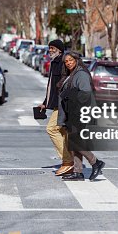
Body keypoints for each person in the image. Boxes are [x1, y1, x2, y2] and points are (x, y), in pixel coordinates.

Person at [57, 51, 105, 181]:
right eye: (66, 62)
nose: (68, 63)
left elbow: (85, 93)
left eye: (70, 60)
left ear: (76, 60)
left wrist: (70, 97)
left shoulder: (81, 74)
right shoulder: (71, 74)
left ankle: (95, 162)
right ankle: (78, 172)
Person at [38, 39, 74, 176]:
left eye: (53, 48)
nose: (50, 50)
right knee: (64, 133)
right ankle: (71, 162)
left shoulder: (63, 62)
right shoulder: (54, 63)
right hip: (56, 103)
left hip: (64, 103)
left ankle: (67, 161)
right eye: (49, 48)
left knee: (51, 129)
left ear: (59, 49)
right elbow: (51, 88)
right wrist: (45, 103)